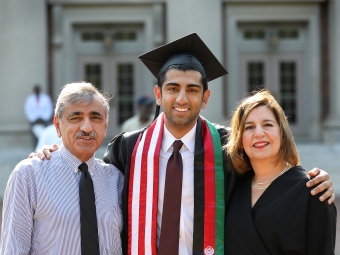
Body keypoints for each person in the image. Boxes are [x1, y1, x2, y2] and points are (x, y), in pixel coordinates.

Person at [32, 33, 335, 255]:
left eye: (192, 90)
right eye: (173, 88)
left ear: (205, 98)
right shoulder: (128, 147)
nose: (181, 98)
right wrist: (57, 154)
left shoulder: (228, 146)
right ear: (158, 94)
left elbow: (269, 169)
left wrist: (313, 179)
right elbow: (92, 177)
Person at [1, 82, 123, 254]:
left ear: (105, 126)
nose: (87, 128)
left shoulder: (117, 179)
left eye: (95, 117)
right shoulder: (28, 176)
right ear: (57, 125)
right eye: (76, 117)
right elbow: (13, 249)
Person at [224, 90, 336, 254]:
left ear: (282, 134)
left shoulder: (313, 191)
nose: (259, 133)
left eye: (268, 124)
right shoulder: (233, 186)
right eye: (249, 127)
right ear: (240, 140)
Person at [24, 84, 54, 149]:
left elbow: (48, 109)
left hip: (44, 121)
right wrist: (34, 119)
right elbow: (28, 110)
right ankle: (35, 149)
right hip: (34, 121)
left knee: (44, 135)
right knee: (34, 138)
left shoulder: (46, 98)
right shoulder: (30, 99)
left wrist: (43, 118)